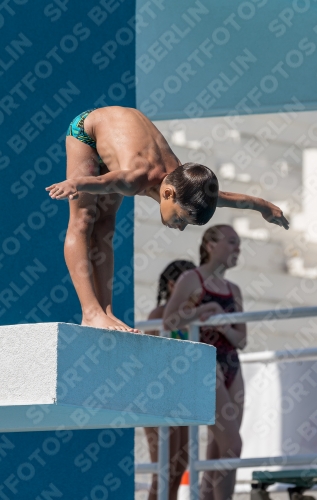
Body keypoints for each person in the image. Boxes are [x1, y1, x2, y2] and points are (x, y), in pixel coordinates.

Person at [45, 106, 289, 331]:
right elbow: (101, 182)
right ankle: (90, 313)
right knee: (83, 219)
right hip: (88, 132)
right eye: (182, 219)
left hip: (118, 141)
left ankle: (106, 311)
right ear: (168, 193)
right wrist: (74, 183)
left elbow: (229, 198)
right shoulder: (134, 179)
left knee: (106, 226)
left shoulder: (187, 186)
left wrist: (264, 207)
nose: (180, 228)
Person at [163, 225, 246, 500]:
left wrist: (223, 326)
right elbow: (169, 320)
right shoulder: (192, 278)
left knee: (219, 451)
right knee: (232, 445)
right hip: (205, 362)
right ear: (210, 245)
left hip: (231, 363)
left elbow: (241, 339)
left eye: (239, 244)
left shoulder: (234, 290)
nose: (237, 249)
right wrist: (204, 310)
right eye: (232, 242)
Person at [144, 259, 196, 500]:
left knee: (180, 464)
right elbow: (151, 361)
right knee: (164, 469)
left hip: (182, 396)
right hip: (159, 397)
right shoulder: (158, 315)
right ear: (173, 285)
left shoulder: (190, 317)